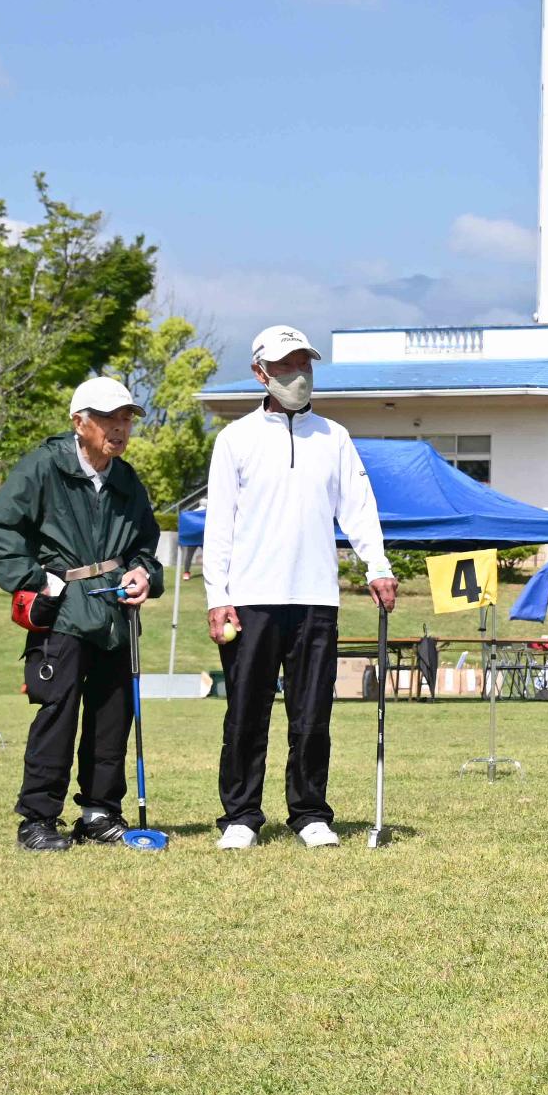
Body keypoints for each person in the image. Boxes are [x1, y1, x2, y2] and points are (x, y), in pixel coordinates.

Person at [202, 324, 397, 850]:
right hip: (250, 597)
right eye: (286, 366)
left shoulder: (334, 437)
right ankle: (241, 816)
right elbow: (219, 524)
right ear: (260, 373)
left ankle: (310, 812)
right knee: (246, 711)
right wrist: (216, 596)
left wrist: (376, 566)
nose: (298, 375)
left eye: (304, 364)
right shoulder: (235, 439)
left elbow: (359, 509)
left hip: (315, 597)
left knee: (312, 715)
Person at [0, 376, 165, 851]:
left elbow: (145, 545)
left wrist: (144, 574)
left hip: (115, 613)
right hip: (61, 613)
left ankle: (99, 814)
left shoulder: (126, 479)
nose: (119, 428)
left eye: (126, 418)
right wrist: (36, 581)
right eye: (107, 418)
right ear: (79, 423)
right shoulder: (43, 466)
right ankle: (38, 819)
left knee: (112, 714)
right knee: (57, 713)